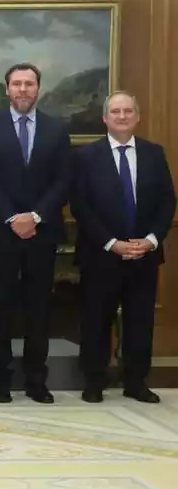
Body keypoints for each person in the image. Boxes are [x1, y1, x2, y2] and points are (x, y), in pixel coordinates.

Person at [0, 63, 71, 404]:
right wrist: (12, 217)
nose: (23, 90)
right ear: (7, 89)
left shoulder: (57, 129)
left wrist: (36, 216)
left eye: (29, 84)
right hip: (2, 231)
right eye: (17, 84)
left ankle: (36, 380)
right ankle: (0, 380)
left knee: (38, 308)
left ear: (38, 89)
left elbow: (63, 181)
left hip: (42, 233)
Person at [71, 92, 175, 404]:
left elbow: (167, 202)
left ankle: (136, 381)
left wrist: (152, 240)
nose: (122, 116)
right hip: (101, 254)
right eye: (115, 111)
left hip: (143, 254)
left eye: (128, 111)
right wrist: (112, 243)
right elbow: (80, 205)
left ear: (137, 117)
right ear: (104, 118)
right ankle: (94, 380)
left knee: (140, 321)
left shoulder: (154, 154)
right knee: (96, 320)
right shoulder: (85, 157)